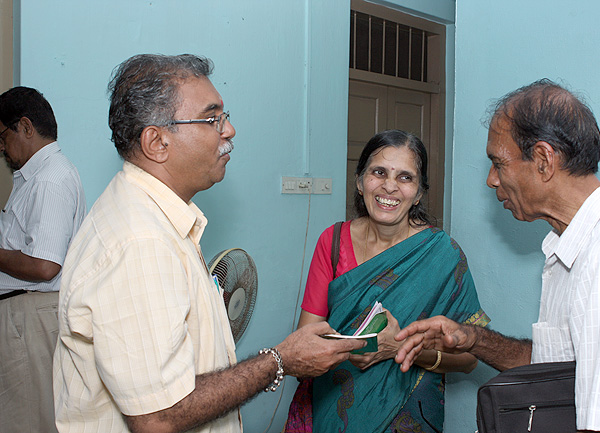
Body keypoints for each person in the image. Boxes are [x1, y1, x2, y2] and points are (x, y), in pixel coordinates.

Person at [53, 54, 365, 433]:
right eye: (211, 118)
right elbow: (158, 416)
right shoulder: (142, 242)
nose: (229, 129)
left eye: (225, 115)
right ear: (158, 142)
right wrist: (280, 361)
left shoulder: (158, 217)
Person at [395, 79, 600, 433]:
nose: (490, 180)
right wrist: (473, 338)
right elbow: (554, 366)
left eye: (499, 163)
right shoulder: (571, 246)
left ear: (544, 160)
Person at [285, 130, 490, 433]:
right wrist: (354, 347)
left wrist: (401, 349)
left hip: (409, 415)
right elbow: (306, 339)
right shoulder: (332, 241)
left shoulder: (443, 255)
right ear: (360, 181)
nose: (389, 186)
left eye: (405, 177)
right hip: (331, 407)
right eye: (378, 172)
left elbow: (470, 357)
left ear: (419, 192)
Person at [0, 86, 86, 433]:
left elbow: (44, 266)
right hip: (26, 314)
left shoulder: (50, 179)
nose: (2, 147)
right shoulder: (35, 178)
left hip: (31, 316)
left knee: (31, 420)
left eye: (3, 136)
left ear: (25, 126)